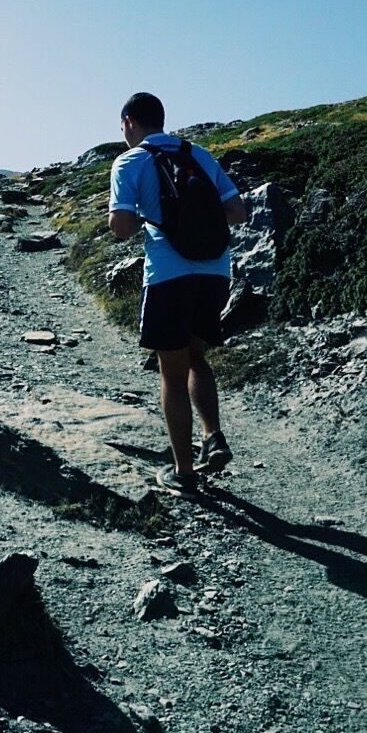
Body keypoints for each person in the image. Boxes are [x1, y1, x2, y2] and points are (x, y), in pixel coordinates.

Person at [107, 92, 247, 495]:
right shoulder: (199, 154)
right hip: (216, 271)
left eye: (122, 129)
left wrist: (148, 218)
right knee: (196, 356)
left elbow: (121, 226)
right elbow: (237, 212)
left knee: (171, 370)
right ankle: (213, 435)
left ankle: (184, 472)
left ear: (130, 121)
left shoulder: (130, 161)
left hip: (169, 274)